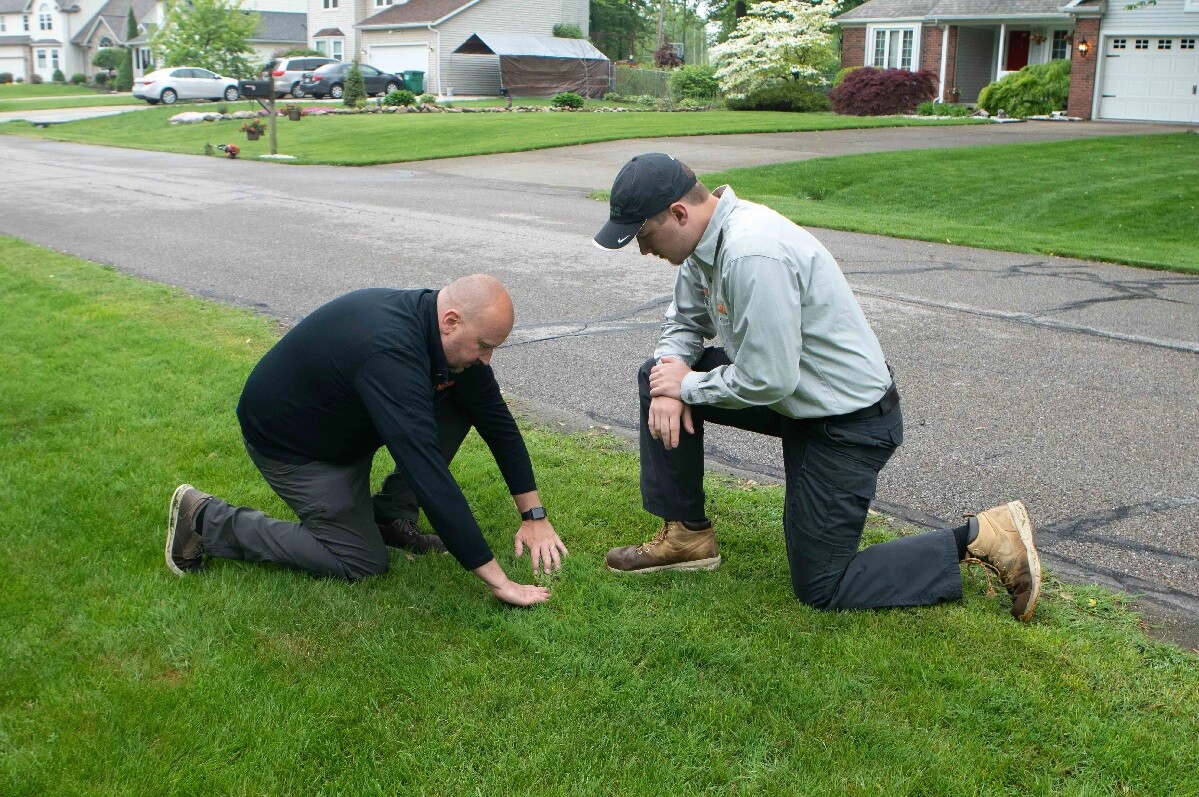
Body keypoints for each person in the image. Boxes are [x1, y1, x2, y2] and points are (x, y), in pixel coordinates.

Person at [592, 153, 1041, 621]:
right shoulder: (703, 244)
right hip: (796, 400)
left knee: (824, 585)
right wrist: (672, 383)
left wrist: (689, 387)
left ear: (679, 214)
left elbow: (768, 379)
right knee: (658, 374)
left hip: (847, 424)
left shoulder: (751, 252)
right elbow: (685, 321)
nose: (644, 251)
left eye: (644, 237)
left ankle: (985, 536)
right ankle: (686, 537)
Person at [165, 274, 568, 607]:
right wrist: (499, 581)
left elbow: (497, 420)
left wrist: (534, 516)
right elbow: (425, 469)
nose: (486, 360)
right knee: (360, 559)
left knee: (465, 400)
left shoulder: (441, 335)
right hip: (296, 448)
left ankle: (391, 516)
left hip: (344, 425)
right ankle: (203, 518)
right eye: (484, 347)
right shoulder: (391, 354)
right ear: (451, 321)